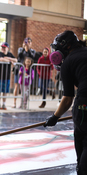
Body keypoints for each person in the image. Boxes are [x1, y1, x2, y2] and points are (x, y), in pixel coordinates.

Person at [44, 30, 87, 175]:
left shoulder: (68, 62)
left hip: (84, 104)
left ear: (65, 46)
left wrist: (55, 117)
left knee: (83, 141)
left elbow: (68, 98)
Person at [13, 37, 36, 108]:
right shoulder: (20, 49)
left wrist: (28, 49)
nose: (27, 43)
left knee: (26, 89)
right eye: (26, 42)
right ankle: (14, 103)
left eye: (29, 42)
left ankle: (24, 103)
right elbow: (19, 57)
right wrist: (24, 48)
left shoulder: (33, 51)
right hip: (19, 70)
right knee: (17, 87)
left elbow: (33, 57)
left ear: (31, 43)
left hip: (28, 72)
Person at [0, 42, 17, 110]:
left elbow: (16, 60)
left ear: (7, 48)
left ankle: (4, 104)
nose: (3, 49)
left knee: (5, 91)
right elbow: (0, 59)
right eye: (2, 47)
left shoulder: (10, 54)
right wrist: (9, 61)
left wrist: (8, 58)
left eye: (4, 47)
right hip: (0, 75)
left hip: (7, 76)